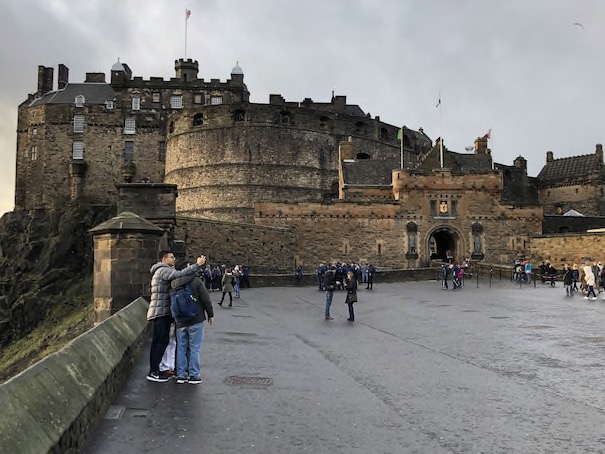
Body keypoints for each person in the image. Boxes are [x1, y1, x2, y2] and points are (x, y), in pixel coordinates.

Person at [147, 250, 206, 383]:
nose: (174, 259)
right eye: (171, 257)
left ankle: (156, 370)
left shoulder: (159, 270)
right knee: (160, 342)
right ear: (164, 259)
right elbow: (179, 275)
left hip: (159, 311)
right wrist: (197, 265)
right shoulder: (163, 270)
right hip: (161, 312)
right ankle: (154, 371)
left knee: (159, 342)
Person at [171, 259, 214, 384]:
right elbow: (206, 299)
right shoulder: (196, 281)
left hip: (180, 321)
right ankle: (194, 375)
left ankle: (181, 374)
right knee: (194, 348)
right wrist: (210, 314)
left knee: (181, 348)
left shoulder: (174, 282)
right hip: (196, 319)